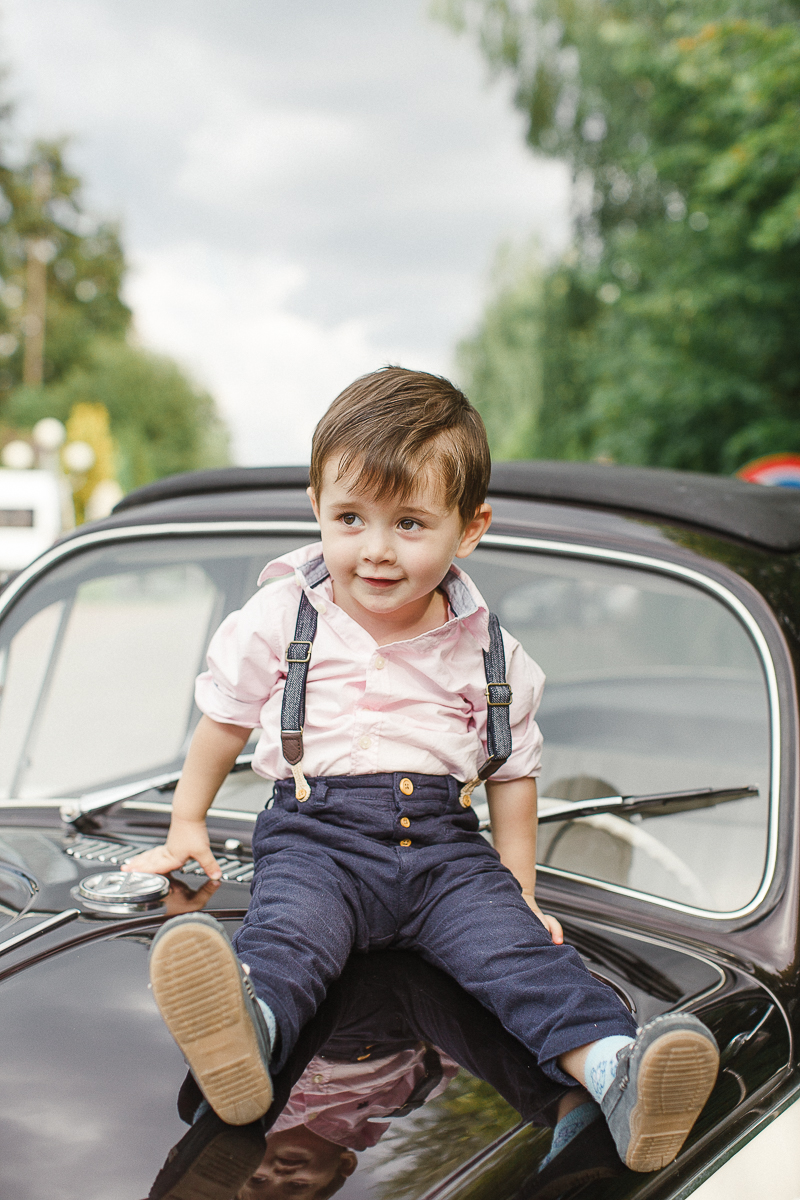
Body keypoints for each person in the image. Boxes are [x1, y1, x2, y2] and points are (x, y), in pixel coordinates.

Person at [127, 367, 719, 1175]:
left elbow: (512, 771)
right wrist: (187, 822)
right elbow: (226, 717)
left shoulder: (490, 650)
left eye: (409, 523)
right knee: (287, 936)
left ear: (468, 529)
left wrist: (520, 889)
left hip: (443, 856)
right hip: (316, 839)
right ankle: (248, 1035)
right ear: (316, 509)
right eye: (350, 518)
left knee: (520, 960)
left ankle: (616, 1072)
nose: (375, 549)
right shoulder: (281, 615)